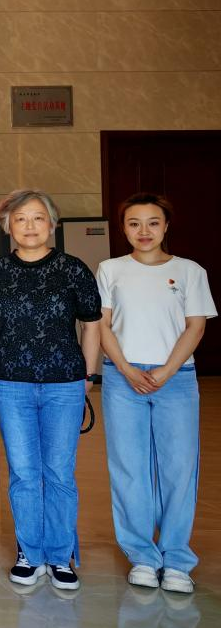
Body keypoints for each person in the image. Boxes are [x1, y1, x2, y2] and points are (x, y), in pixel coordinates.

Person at [98, 192, 215, 594]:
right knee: (129, 468)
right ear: (123, 228)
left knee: (178, 470)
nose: (143, 231)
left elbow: (195, 326)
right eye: (134, 223)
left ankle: (177, 559)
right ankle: (143, 558)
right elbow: (102, 326)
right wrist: (127, 369)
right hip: (122, 377)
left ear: (166, 226)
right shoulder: (110, 269)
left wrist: (166, 371)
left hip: (176, 379)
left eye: (152, 222)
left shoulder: (189, 271)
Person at [0, 189, 102, 591]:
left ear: (52, 224)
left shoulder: (73, 269)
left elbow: (91, 323)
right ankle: (30, 553)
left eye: (38, 218)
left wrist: (88, 376)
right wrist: (1, 358)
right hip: (11, 385)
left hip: (65, 384)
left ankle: (60, 555)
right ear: (8, 227)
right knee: (23, 472)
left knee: (59, 473)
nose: (30, 226)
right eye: (20, 219)